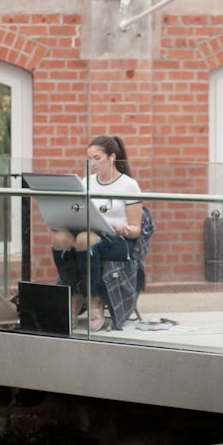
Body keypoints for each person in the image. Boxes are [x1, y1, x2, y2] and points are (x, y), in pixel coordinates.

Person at [51, 135, 143, 332]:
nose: (92, 163)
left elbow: (136, 230)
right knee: (60, 238)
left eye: (97, 158)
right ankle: (74, 296)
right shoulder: (86, 182)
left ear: (112, 157)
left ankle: (94, 300)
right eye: (89, 158)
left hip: (119, 241)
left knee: (85, 239)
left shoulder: (128, 185)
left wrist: (126, 229)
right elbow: (77, 212)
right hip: (90, 234)